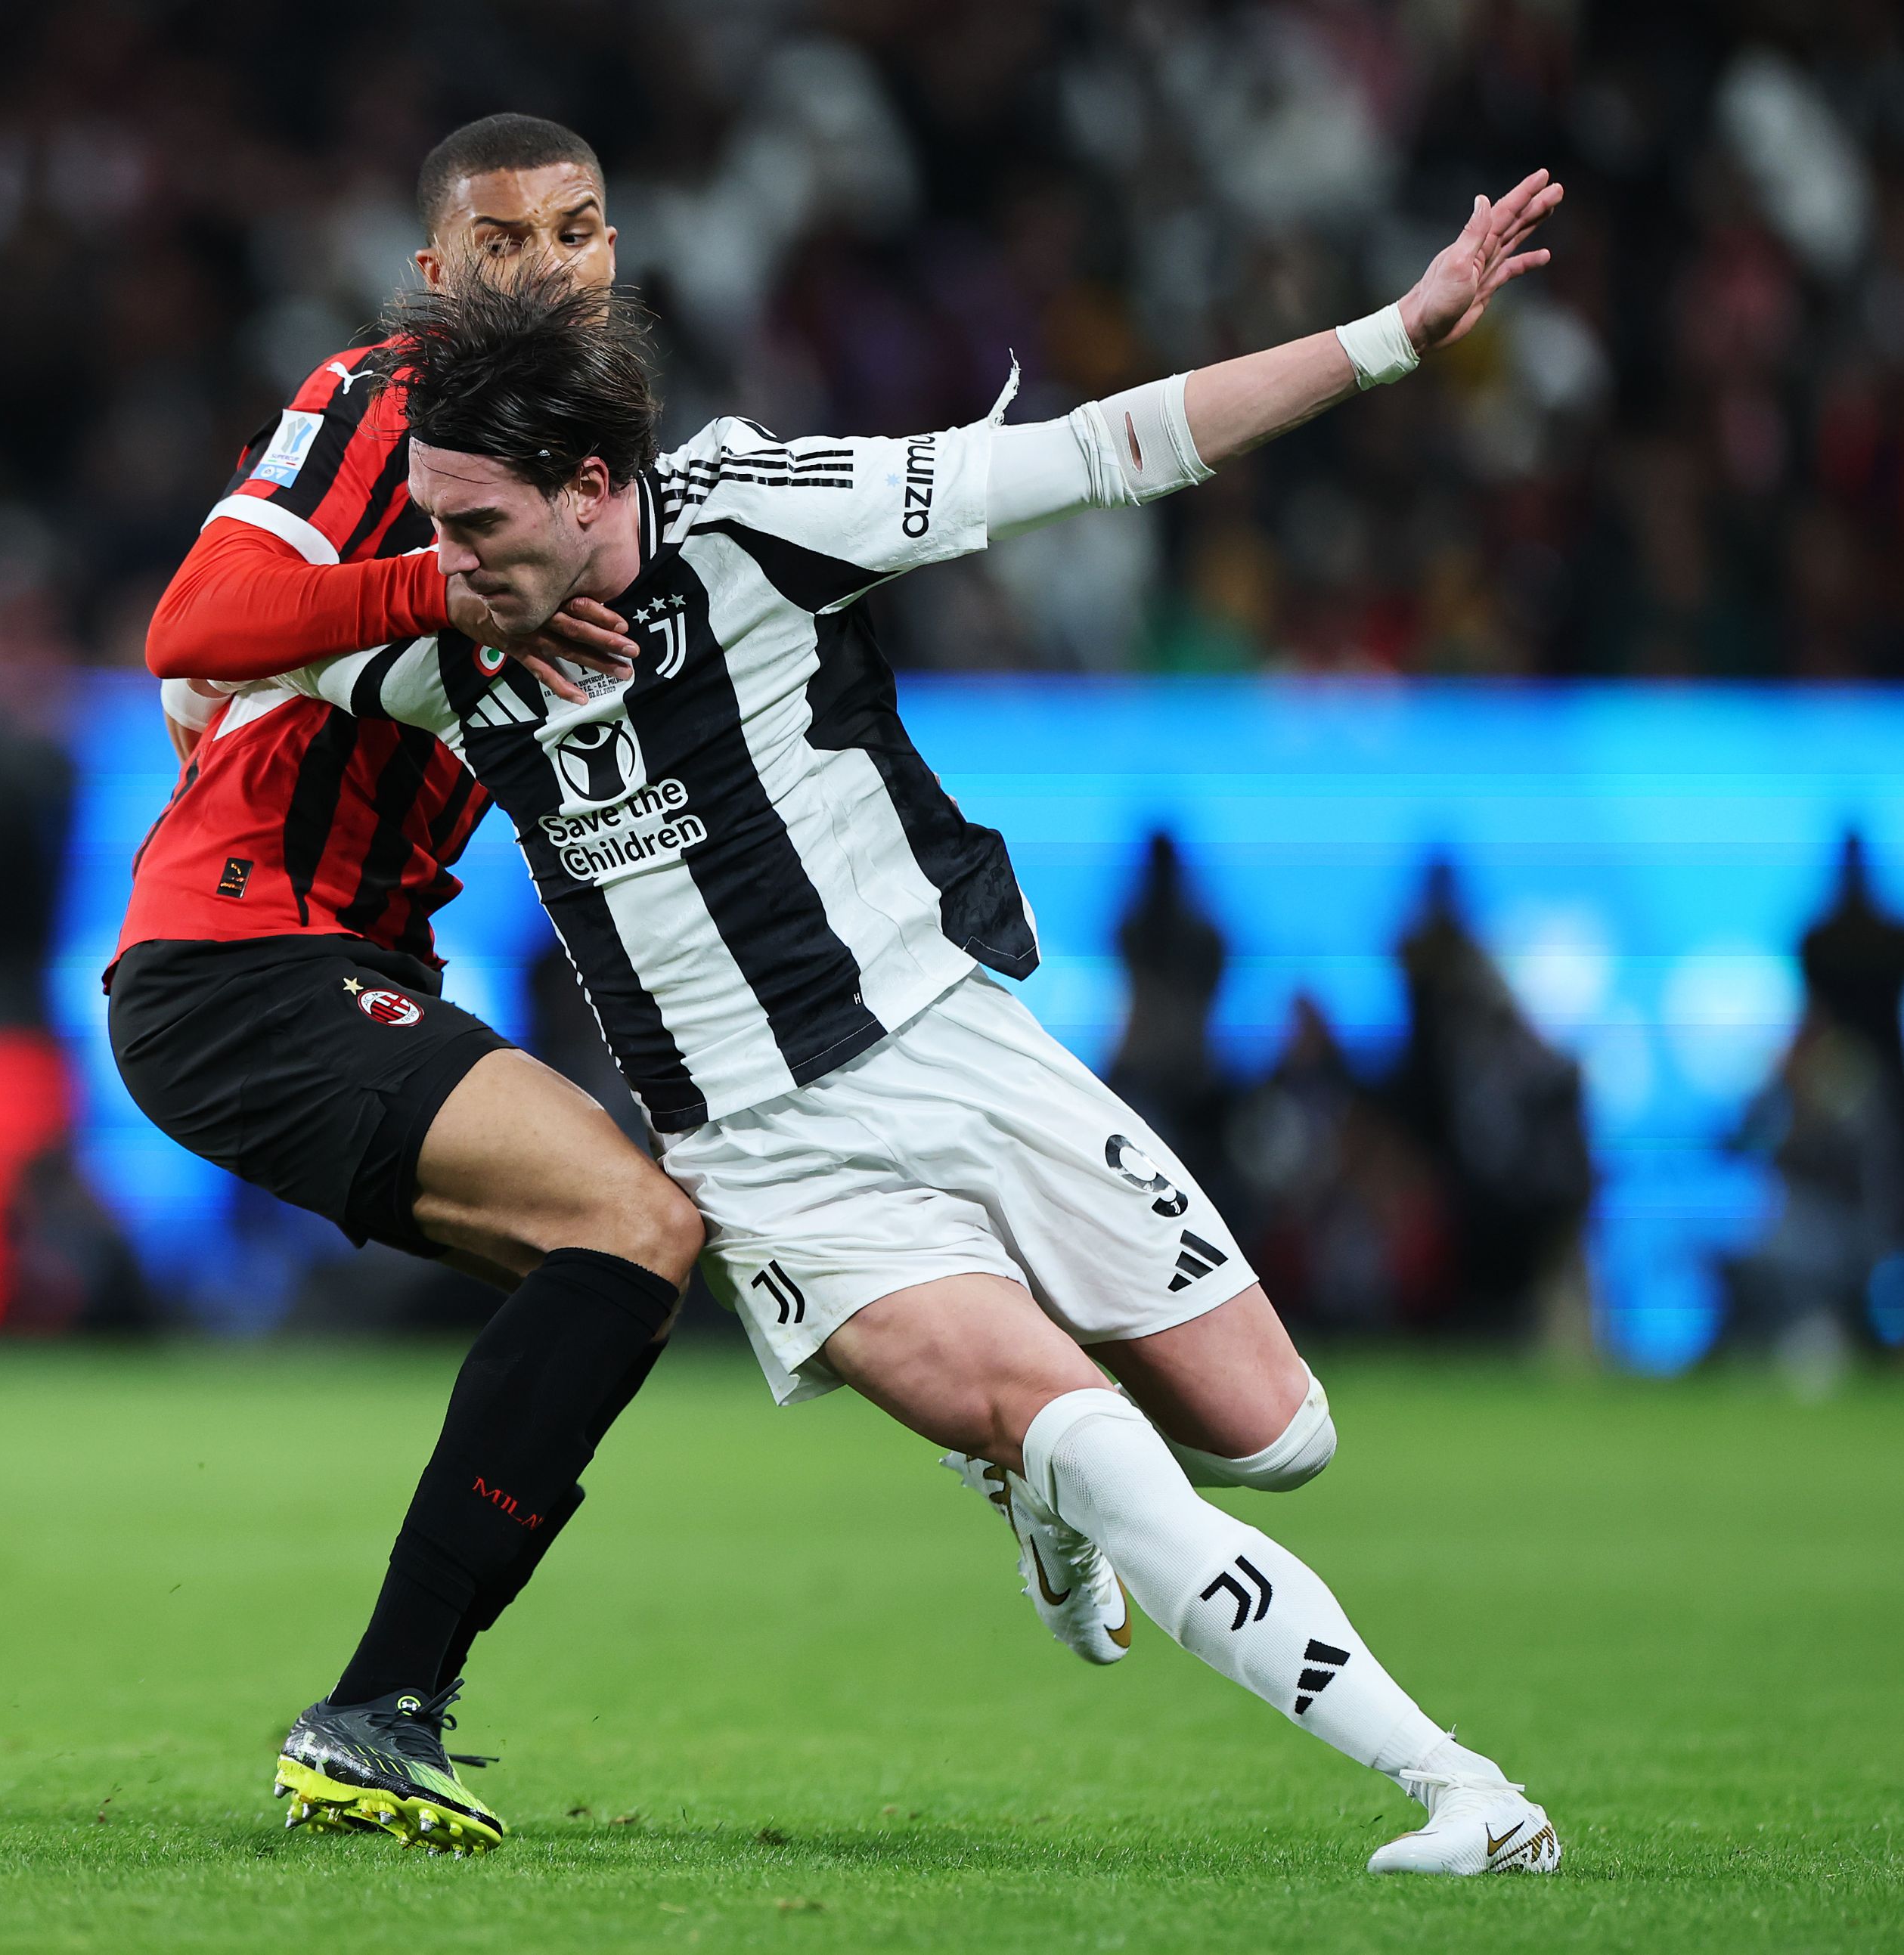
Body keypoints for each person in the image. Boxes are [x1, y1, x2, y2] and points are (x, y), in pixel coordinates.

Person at [253, 172, 1570, 1876]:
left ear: (591, 489)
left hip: (958, 1048)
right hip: (770, 1165)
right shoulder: (442, 642)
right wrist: (321, 641)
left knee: (1278, 1438)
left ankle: (1028, 1485)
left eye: (472, 527)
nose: (440, 566)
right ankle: (1466, 1792)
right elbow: (215, 653)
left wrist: (1394, 335)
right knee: (1100, 1448)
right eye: (425, 525)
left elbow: (1111, 447)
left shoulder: (759, 514)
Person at [110, 114, 689, 1857]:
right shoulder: (382, 400)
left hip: (335, 960)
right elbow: (189, 627)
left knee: (653, 1257)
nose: (547, 268)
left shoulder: (603, 471)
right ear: (435, 276)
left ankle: (387, 1708)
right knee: (632, 1227)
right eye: (501, 242)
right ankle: (375, 1709)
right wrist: (441, 587)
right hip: (241, 959)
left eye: (576, 231)